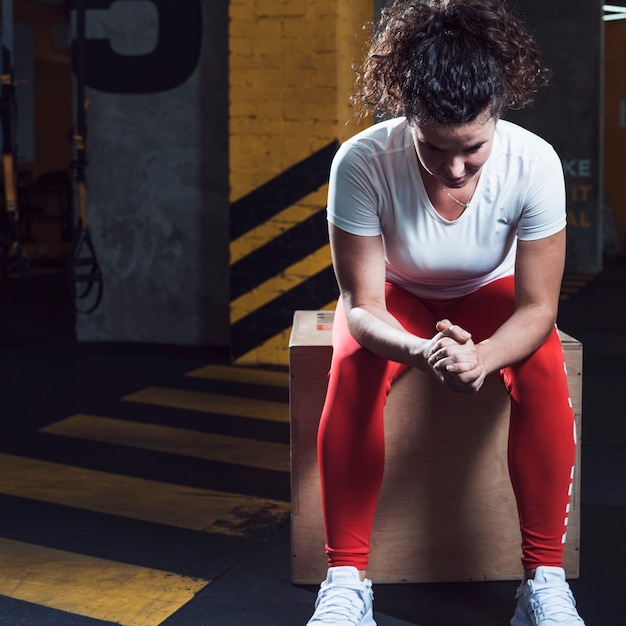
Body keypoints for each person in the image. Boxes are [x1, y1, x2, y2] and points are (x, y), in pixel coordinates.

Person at [306, 1, 586, 625]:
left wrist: (482, 356)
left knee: (542, 366)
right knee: (350, 368)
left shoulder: (534, 163)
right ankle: (346, 581)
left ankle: (543, 581)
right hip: (397, 295)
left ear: (498, 116)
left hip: (490, 291)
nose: (455, 169)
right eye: (436, 148)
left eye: (474, 149)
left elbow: (539, 305)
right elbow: (362, 305)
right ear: (408, 116)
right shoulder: (360, 162)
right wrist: (420, 350)